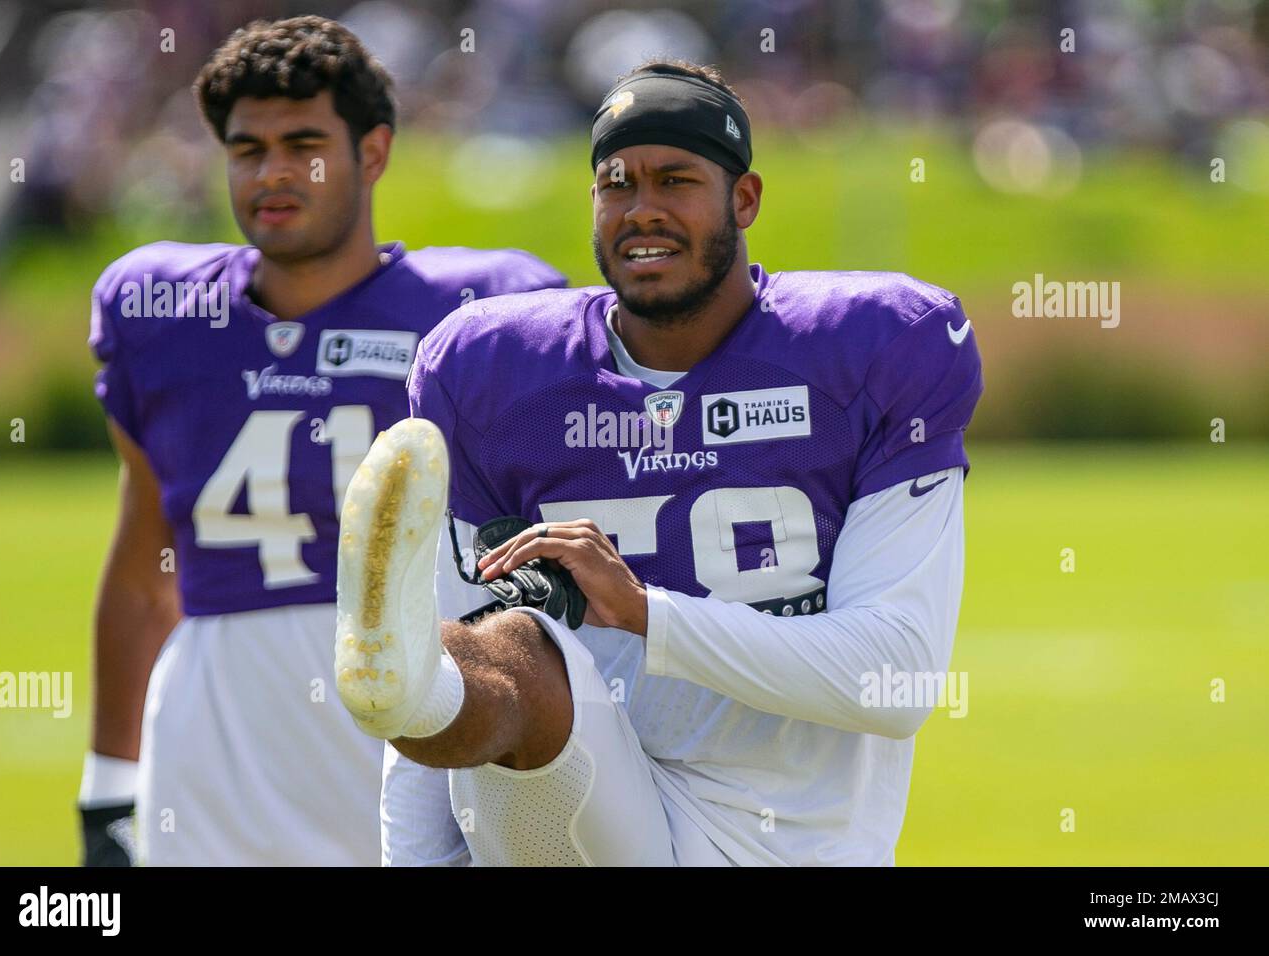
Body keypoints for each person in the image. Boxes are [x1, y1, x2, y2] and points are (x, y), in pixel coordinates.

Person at [337, 59, 982, 866]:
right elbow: (455, 645)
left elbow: (898, 681)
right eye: (617, 183)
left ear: (742, 200)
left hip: (794, 834)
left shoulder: (874, 348)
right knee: (499, 653)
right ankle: (403, 686)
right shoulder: (493, 374)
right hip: (586, 797)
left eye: (675, 180)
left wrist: (646, 612)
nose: (643, 210)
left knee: (506, 655)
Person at [79, 15, 565, 866]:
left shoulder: (480, 312)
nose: (271, 173)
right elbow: (141, 568)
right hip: (216, 736)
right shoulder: (162, 311)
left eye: (302, 144)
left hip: (417, 698)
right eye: (245, 148)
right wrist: (107, 786)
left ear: (372, 153)